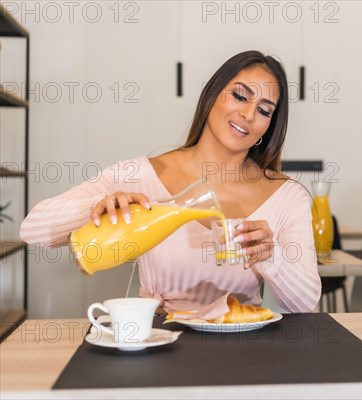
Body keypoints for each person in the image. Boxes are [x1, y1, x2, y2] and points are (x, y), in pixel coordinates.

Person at [20, 50, 321, 313]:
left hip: (243, 353)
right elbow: (32, 230)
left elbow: (306, 303)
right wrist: (96, 209)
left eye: (264, 110)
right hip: (157, 344)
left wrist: (272, 257)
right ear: (213, 94)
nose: (247, 114)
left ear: (268, 127)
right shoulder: (141, 176)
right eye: (240, 96)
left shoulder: (286, 195)